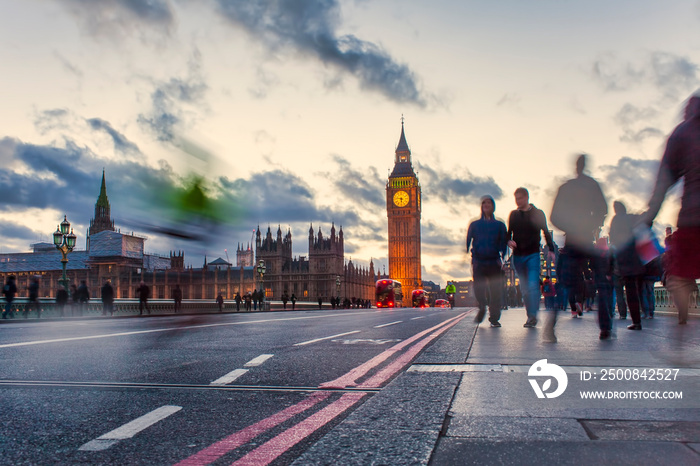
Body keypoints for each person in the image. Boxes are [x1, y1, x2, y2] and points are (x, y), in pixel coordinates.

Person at [641, 94, 700, 325]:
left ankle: (680, 337)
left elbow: (664, 180)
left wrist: (650, 215)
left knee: (677, 275)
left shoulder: (682, 133)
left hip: (692, 217)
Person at [548, 154, 612, 341]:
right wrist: (594, 225)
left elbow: (553, 217)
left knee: (564, 285)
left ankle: (551, 325)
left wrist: (569, 227)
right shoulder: (592, 185)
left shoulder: (566, 187)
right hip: (587, 240)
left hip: (573, 241)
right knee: (601, 282)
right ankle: (605, 328)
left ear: (575, 167)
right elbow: (603, 209)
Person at [507, 187, 556, 328]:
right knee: (524, 289)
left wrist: (551, 249)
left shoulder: (538, 213)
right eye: (516, 199)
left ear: (527, 198)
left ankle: (533, 316)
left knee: (533, 285)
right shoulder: (514, 215)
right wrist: (508, 241)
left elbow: (545, 231)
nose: (518, 201)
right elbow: (508, 233)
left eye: (520, 198)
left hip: (533, 254)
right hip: (518, 257)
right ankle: (530, 315)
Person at [466, 195, 508, 327]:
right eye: (484, 203)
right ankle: (482, 307)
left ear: (493, 206)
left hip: (494, 261)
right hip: (479, 261)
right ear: (481, 207)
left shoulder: (500, 225)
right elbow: (469, 239)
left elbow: (504, 243)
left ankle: (494, 318)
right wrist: (468, 250)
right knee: (479, 288)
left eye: (489, 203)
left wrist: (503, 258)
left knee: (495, 291)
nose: (486, 204)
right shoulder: (474, 225)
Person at [609, 201, 646, 330]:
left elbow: (612, 238)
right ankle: (645, 312)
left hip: (625, 259)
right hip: (639, 258)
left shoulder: (616, 220)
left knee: (629, 291)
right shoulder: (632, 217)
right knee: (641, 291)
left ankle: (636, 321)